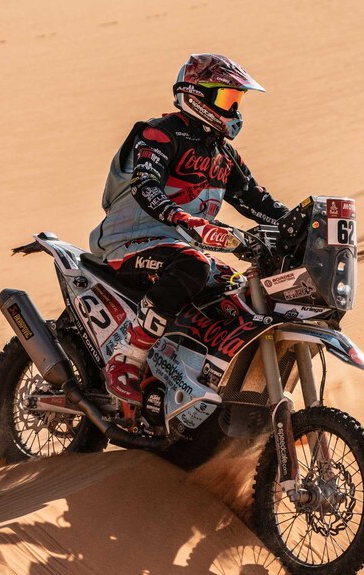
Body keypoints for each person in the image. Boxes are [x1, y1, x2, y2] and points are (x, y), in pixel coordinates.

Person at [88, 53, 289, 405]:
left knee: (234, 291)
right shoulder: (160, 134)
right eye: (227, 99)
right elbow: (145, 186)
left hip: (179, 248)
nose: (235, 111)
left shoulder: (223, 155)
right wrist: (189, 222)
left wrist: (302, 225)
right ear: (196, 95)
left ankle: (187, 376)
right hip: (130, 244)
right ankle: (126, 360)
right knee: (193, 266)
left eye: (237, 101)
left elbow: (258, 201)